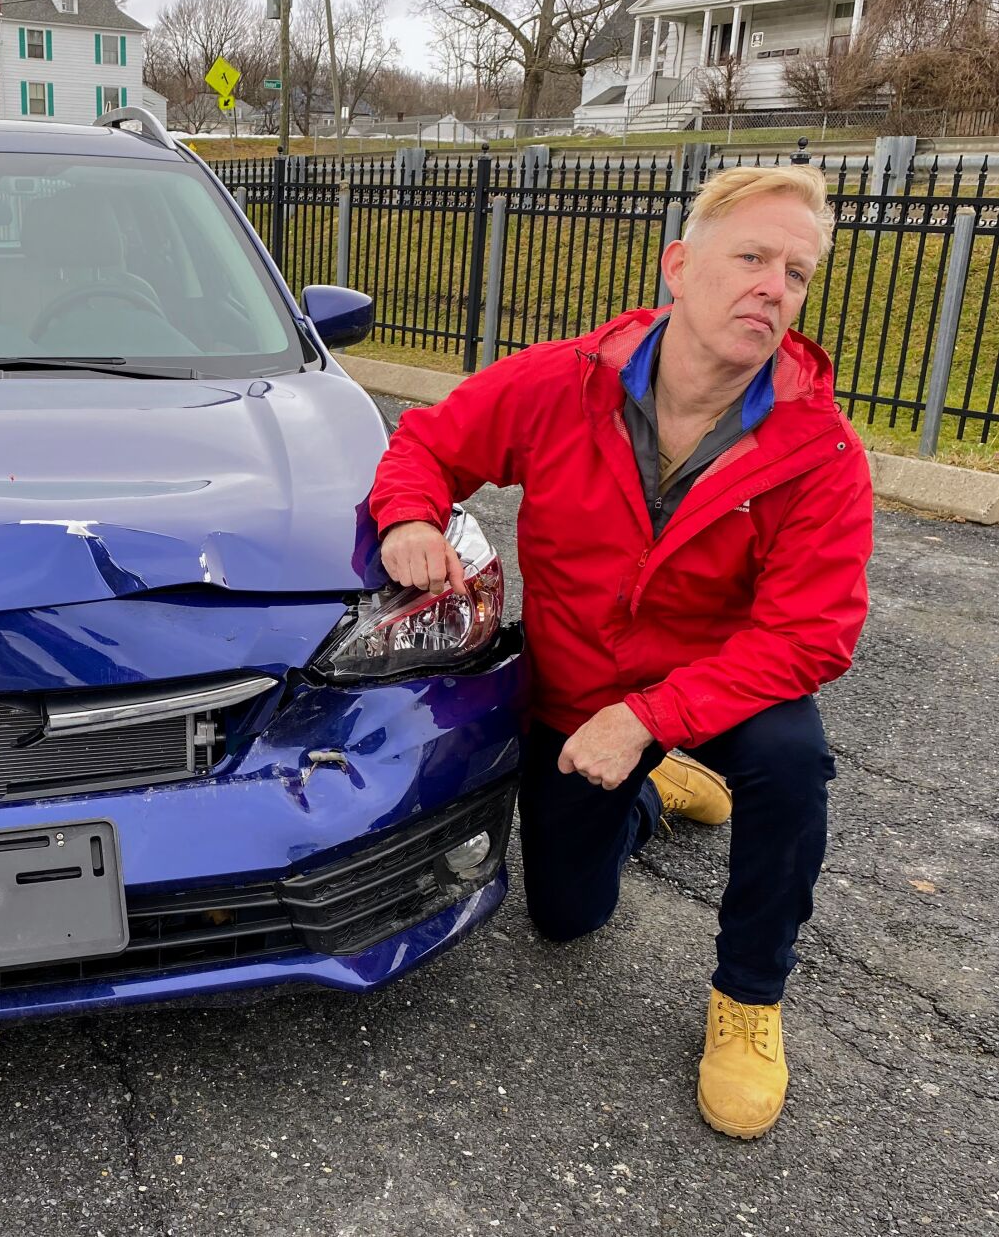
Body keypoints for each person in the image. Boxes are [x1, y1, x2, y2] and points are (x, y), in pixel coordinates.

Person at [370, 165, 873, 1139]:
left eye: (798, 273)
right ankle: (652, 789)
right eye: (753, 258)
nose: (775, 286)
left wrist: (650, 716)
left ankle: (751, 1000)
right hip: (576, 691)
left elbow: (810, 633)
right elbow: (429, 444)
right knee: (566, 916)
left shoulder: (818, 451)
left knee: (791, 764)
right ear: (679, 268)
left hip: (712, 688)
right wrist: (406, 520)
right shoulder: (564, 383)